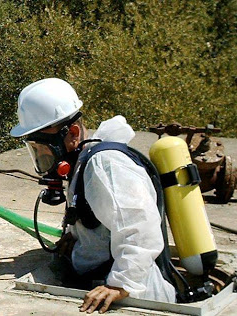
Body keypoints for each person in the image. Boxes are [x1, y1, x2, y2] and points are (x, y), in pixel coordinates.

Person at [10, 78, 176, 313]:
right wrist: (76, 235)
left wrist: (120, 285)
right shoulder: (84, 162)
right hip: (103, 281)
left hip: (136, 298)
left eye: (44, 148)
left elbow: (139, 228)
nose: (44, 158)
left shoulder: (105, 164)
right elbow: (98, 218)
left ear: (73, 133)